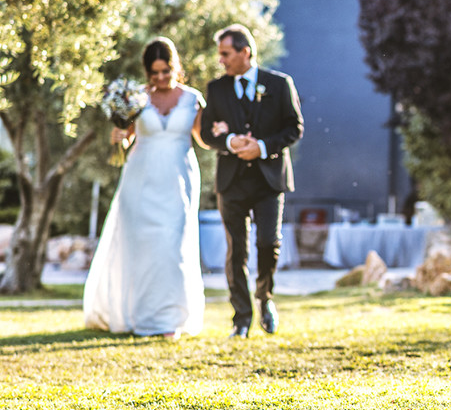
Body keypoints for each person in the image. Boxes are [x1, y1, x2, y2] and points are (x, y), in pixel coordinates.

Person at [84, 37, 207, 338]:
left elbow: (203, 138)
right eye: (155, 74)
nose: (161, 78)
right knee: (140, 246)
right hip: (140, 179)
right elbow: (126, 137)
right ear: (147, 73)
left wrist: (223, 134)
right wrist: (119, 138)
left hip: (178, 178)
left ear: (175, 67)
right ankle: (134, 316)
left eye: (166, 71)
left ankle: (168, 320)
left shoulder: (193, 99)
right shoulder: (134, 97)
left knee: (172, 244)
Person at [200, 24, 304, 338]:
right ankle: (241, 318)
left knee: (268, 244)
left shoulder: (279, 84)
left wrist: (260, 147)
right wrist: (231, 142)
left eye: (226, 54)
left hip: (269, 180)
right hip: (231, 181)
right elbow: (206, 133)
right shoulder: (216, 89)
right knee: (236, 251)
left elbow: (294, 128)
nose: (221, 60)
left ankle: (265, 297)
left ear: (245, 52)